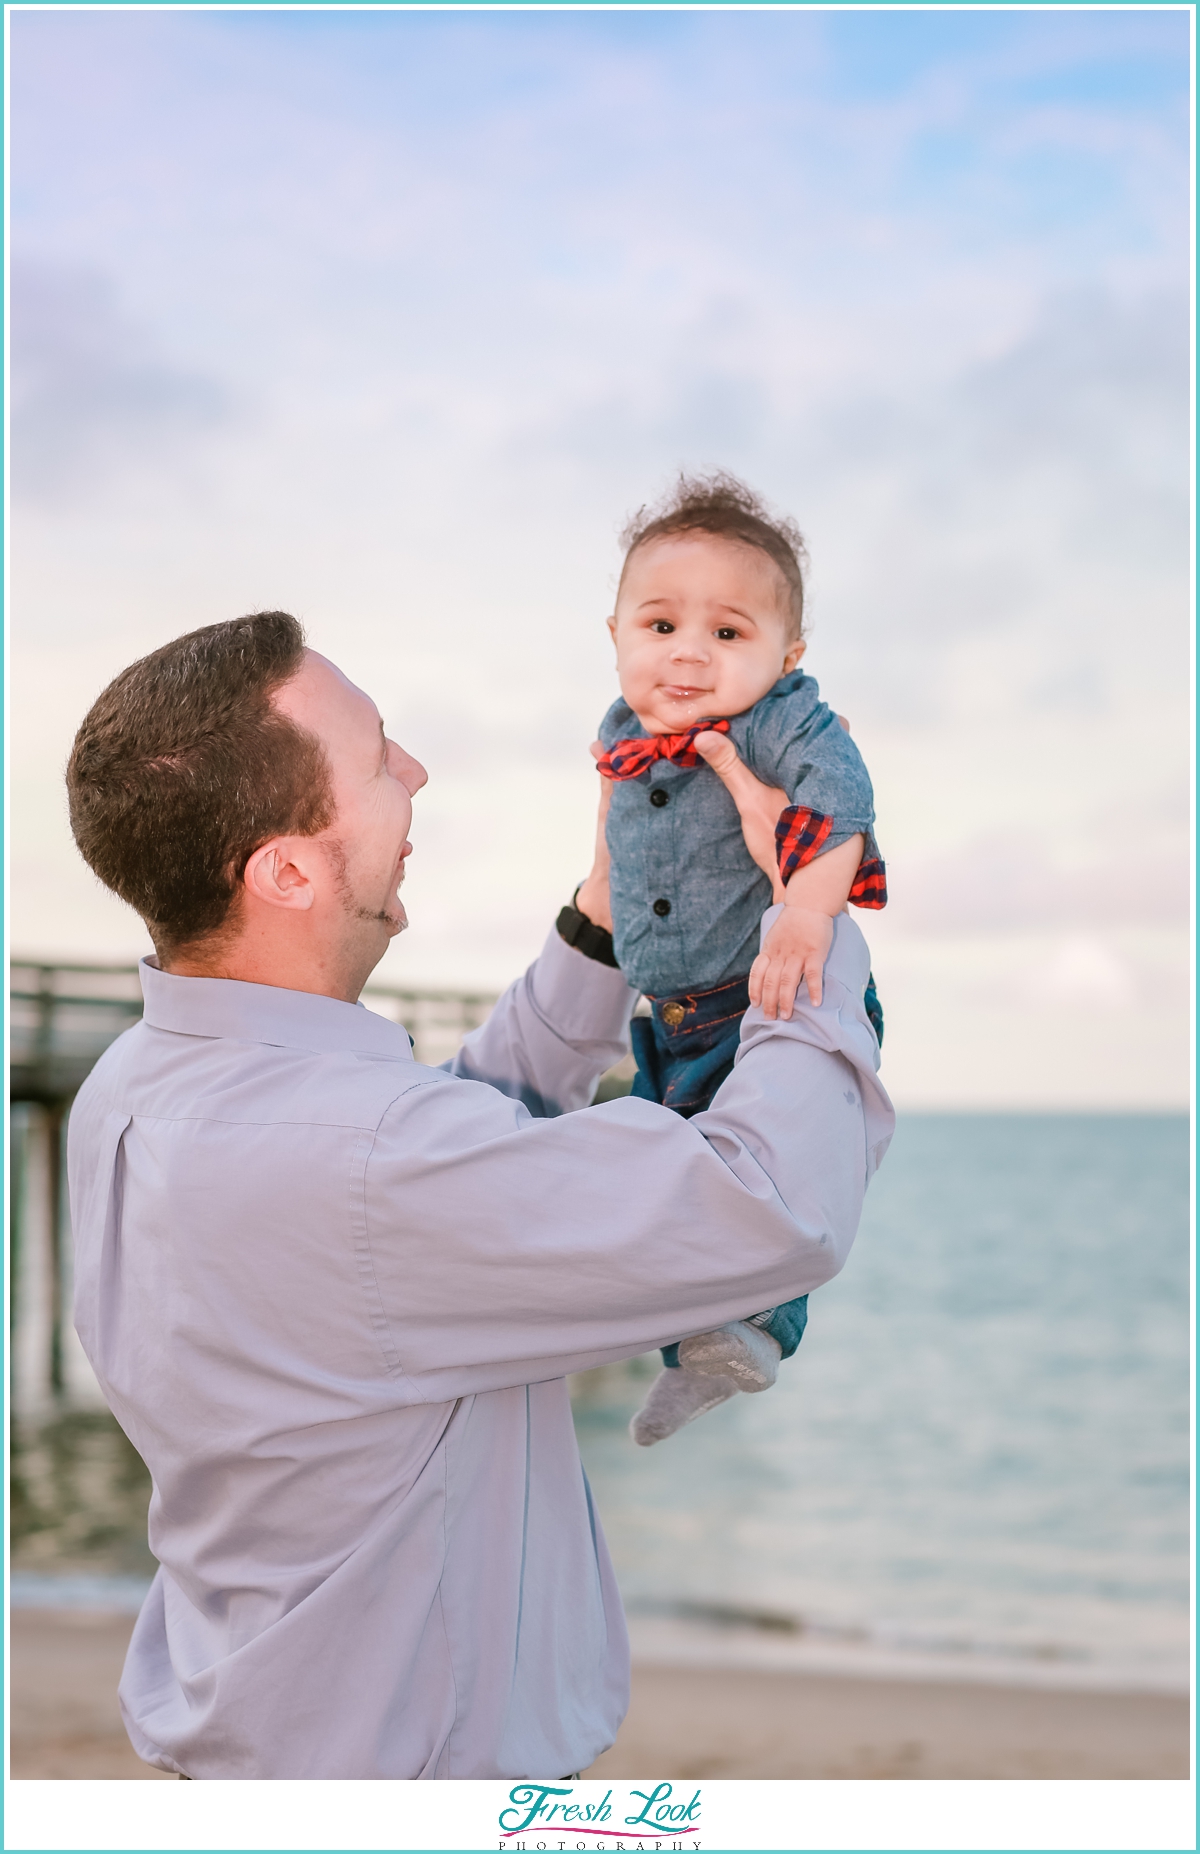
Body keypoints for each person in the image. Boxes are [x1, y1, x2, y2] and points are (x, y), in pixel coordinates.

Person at [64, 608, 893, 1780]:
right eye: (377, 756)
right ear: (286, 869)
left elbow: (459, 1140)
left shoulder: (139, 1086)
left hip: (259, 1741)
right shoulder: (357, 1161)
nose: (416, 770)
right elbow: (768, 1207)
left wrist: (609, 905)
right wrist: (806, 911)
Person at [594, 472, 888, 1445]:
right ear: (617, 634)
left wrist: (807, 913)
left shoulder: (781, 720)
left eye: (728, 634)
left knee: (775, 1186)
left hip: (765, 994)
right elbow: (611, 846)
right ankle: (694, 1358)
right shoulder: (619, 731)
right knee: (663, 1187)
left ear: (786, 653)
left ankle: (759, 1330)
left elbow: (841, 802)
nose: (689, 655)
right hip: (668, 1011)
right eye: (661, 625)